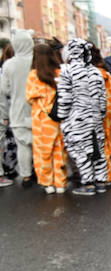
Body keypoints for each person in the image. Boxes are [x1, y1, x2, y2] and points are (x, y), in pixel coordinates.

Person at [56, 38, 107, 196]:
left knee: (80, 151)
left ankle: (88, 183)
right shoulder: (96, 72)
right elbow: (103, 98)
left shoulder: (68, 72)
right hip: (95, 118)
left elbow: (64, 98)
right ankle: (100, 180)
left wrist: (61, 116)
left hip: (77, 119)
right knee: (97, 149)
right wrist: (101, 114)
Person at [25, 42, 66, 194]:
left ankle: (47, 183)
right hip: (58, 116)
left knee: (43, 151)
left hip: (41, 119)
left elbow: (29, 98)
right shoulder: (59, 72)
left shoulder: (33, 75)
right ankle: (60, 182)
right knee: (59, 150)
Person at [0, 30, 35, 186]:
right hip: (37, 109)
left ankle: (26, 176)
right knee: (40, 144)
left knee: (23, 147)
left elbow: (5, 90)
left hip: (17, 111)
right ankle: (42, 174)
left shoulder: (9, 64)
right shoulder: (36, 61)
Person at [91, 44, 111, 185]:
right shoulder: (106, 73)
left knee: (100, 143)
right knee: (110, 140)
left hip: (98, 111)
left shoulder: (91, 74)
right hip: (110, 110)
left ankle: (107, 174)